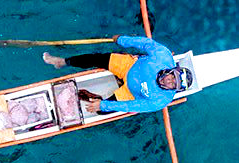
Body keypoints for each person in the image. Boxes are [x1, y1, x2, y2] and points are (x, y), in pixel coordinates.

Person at [45, 34, 190, 114]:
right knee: (95, 58)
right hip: (129, 66)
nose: (168, 82)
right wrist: (122, 40)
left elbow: (133, 106)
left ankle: (99, 98)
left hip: (131, 93)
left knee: (101, 111)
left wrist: (103, 105)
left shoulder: (161, 100)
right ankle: (62, 62)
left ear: (174, 90)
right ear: (172, 70)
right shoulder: (163, 56)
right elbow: (145, 43)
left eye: (173, 85)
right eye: (172, 77)